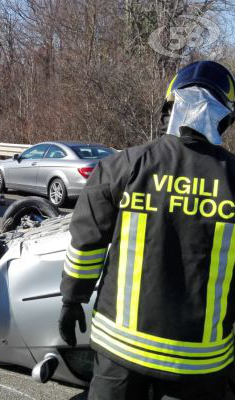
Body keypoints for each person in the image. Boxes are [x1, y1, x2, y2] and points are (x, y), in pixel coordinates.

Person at [58, 60, 235, 400]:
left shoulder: (122, 166)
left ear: (169, 108)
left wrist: (72, 298)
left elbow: (86, 245)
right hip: (200, 364)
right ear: (226, 118)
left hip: (121, 353)